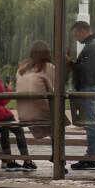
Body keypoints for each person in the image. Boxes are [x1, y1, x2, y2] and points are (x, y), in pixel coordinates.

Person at [16, 41, 62, 169]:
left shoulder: (21, 68)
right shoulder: (48, 67)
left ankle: (55, 156)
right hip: (39, 112)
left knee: (57, 120)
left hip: (23, 113)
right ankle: (57, 158)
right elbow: (55, 90)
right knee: (60, 122)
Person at [67, 20, 95, 170]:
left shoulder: (91, 47)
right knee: (90, 124)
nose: (76, 38)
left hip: (88, 88)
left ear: (83, 31)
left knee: (91, 124)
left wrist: (70, 64)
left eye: (76, 35)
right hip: (91, 87)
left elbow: (85, 71)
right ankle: (90, 156)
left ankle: (91, 158)